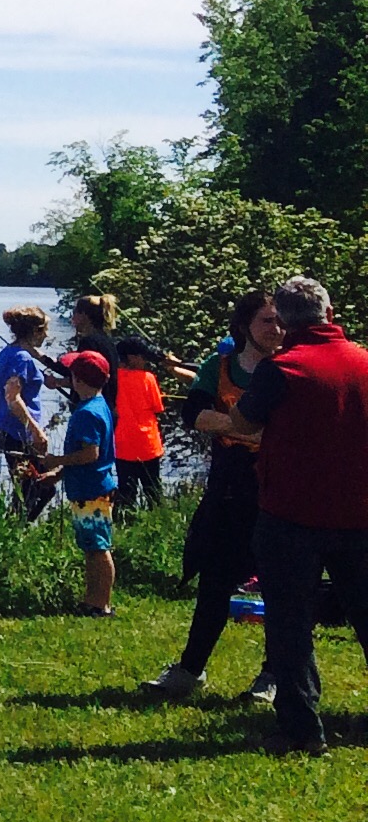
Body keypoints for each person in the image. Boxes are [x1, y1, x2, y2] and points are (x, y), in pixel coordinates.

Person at [234, 275, 368, 756]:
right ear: (329, 314)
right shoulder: (364, 361)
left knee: (290, 624)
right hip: (361, 512)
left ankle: (301, 730)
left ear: (285, 322)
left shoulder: (282, 369)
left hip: (292, 515)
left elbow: (245, 421)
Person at [152, 290, 279, 703]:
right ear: (245, 326)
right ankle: (190, 670)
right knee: (214, 584)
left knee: (280, 589)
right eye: (266, 321)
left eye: (280, 322)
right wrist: (244, 429)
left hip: (275, 496)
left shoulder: (286, 369)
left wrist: (224, 425)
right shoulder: (219, 366)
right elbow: (194, 415)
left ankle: (272, 676)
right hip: (226, 494)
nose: (276, 330)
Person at [54, 350, 120, 616]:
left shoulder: (86, 413)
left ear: (77, 380)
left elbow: (90, 454)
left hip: (91, 490)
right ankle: (93, 600)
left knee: (98, 548)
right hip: (92, 486)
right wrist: (57, 474)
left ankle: (100, 604)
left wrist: (56, 460)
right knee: (92, 547)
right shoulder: (100, 404)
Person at [0, 305, 56, 492]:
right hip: (16, 433)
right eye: (45, 330)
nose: (46, 335)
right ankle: (17, 521)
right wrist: (36, 431)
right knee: (36, 489)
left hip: (9, 429)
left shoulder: (9, 352)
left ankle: (18, 521)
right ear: (35, 331)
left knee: (35, 488)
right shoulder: (22, 358)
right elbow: (13, 398)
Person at [111, 337, 168, 512]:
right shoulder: (148, 378)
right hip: (147, 444)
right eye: (142, 356)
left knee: (126, 490)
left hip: (123, 444)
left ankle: (125, 522)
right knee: (153, 490)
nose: (144, 360)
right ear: (132, 357)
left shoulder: (113, 379)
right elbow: (157, 407)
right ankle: (157, 520)